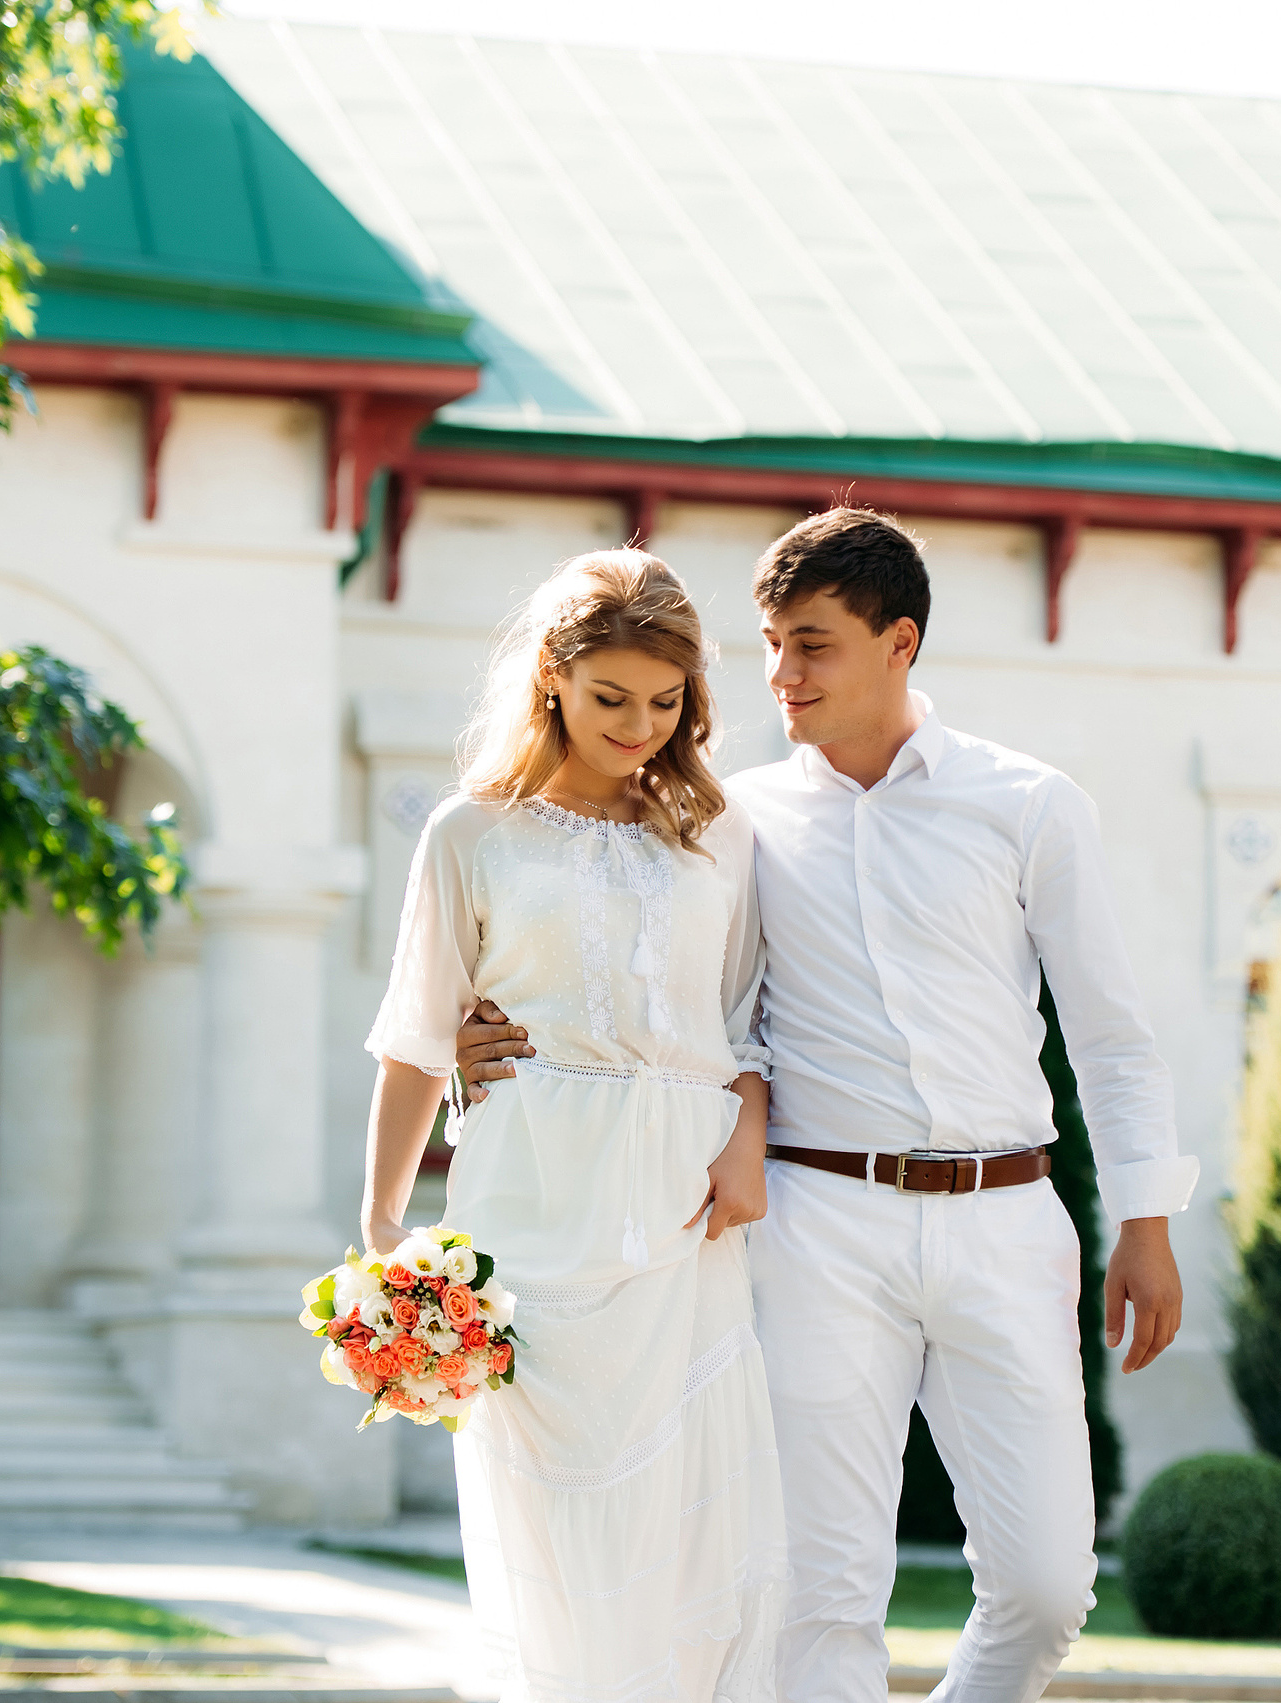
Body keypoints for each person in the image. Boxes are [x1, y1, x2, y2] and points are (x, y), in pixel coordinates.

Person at [458, 509, 1198, 1703]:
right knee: (823, 1593)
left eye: (811, 645)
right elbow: (631, 965)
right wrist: (472, 1021)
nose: (779, 675)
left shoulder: (1029, 804)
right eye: (768, 644)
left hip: (1005, 1217)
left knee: (1047, 1585)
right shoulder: (728, 821)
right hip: (814, 1221)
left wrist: (1146, 1221)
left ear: (899, 641)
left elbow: (1110, 1033)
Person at [360, 550, 784, 1703]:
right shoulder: (469, 831)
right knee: (553, 1521)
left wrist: (743, 1131)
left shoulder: (717, 833)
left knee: (693, 1524)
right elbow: (414, 1032)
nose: (640, 725)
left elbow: (749, 1013)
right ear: (552, 675)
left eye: (666, 702)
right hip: (530, 1197)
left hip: (684, 1207)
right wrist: (384, 1227)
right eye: (611, 698)